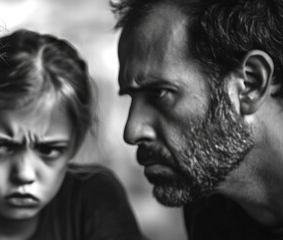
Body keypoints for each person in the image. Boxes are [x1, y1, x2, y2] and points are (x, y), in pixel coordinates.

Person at [0, 29, 143, 240]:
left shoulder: (94, 198)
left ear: (75, 143)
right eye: (0, 147)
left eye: (49, 150)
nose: (24, 175)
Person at [112, 0, 283, 239]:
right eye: (131, 97)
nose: (131, 132)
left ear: (250, 85)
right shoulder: (208, 205)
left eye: (159, 93)